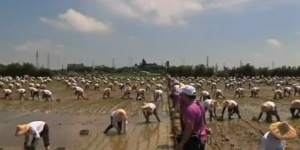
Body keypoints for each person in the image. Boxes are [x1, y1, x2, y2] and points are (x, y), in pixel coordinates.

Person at [176, 85, 207, 150]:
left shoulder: (189, 110)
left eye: (182, 94)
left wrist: (181, 144)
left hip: (194, 140)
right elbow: (203, 121)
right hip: (202, 138)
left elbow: (189, 129)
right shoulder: (200, 104)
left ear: (185, 96)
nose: (181, 96)